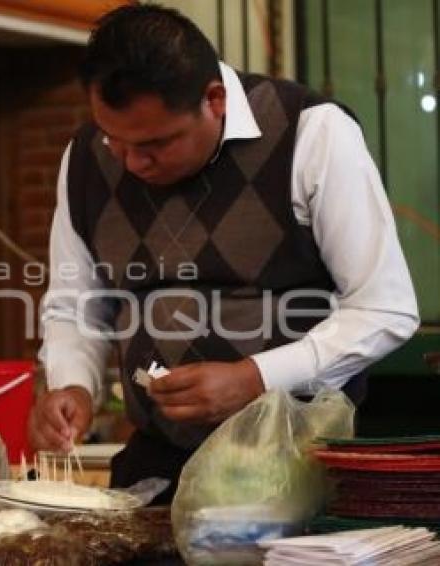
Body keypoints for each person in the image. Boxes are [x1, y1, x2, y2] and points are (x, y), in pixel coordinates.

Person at [30, 4, 419, 502]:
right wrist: (72, 384)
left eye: (154, 143)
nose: (131, 162)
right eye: (115, 139)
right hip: (156, 468)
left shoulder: (311, 133)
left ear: (214, 100)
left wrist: (255, 379)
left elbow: (385, 308)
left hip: (298, 465)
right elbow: (75, 305)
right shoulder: (85, 158)